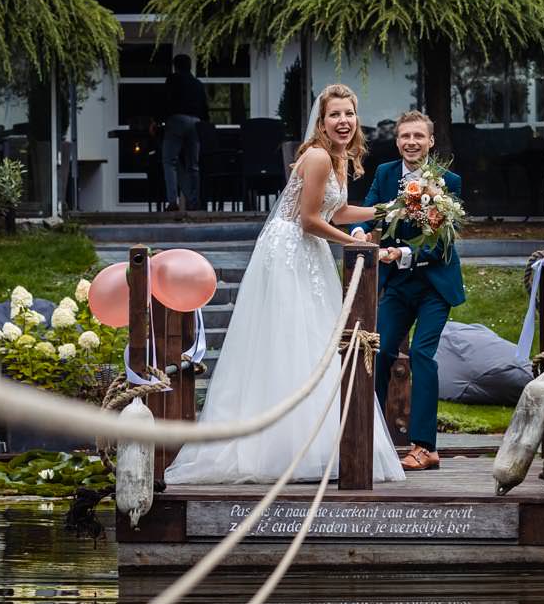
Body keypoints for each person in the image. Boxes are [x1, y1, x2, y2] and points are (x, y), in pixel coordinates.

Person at [165, 83, 407, 485]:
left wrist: (386, 210)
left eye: (349, 114)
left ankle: (317, 443)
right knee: (293, 339)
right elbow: (309, 219)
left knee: (317, 342)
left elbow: (339, 209)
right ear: (322, 121)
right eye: (335, 115)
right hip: (289, 251)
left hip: (310, 249)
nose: (343, 121)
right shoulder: (315, 157)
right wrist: (358, 243)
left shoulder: (340, 157)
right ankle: (278, 448)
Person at [360, 111, 466, 471]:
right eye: (405, 136)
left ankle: (425, 446)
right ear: (398, 140)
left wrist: (400, 252)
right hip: (398, 284)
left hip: (435, 284)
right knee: (379, 352)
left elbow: (439, 245)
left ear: (431, 141)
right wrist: (361, 233)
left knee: (422, 354)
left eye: (418, 136)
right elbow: (371, 211)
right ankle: (369, 437)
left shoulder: (448, 182)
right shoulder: (386, 174)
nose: (411, 142)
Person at [160, 54, 208, 217]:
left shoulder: (172, 80)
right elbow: (205, 108)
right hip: (195, 122)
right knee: (193, 165)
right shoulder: (197, 84)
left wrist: (159, 120)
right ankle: (194, 202)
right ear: (190, 66)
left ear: (175, 66)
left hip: (176, 120)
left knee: (169, 162)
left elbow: (165, 101)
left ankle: (173, 201)